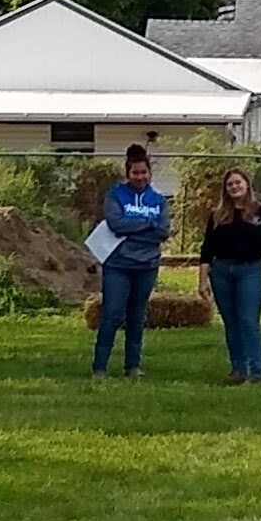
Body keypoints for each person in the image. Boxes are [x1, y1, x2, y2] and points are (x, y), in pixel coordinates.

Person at [90, 141, 170, 376]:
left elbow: (163, 231)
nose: (140, 177)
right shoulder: (115, 196)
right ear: (128, 173)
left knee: (137, 316)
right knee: (112, 314)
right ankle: (100, 367)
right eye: (135, 173)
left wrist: (133, 230)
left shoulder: (159, 200)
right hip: (118, 265)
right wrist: (148, 224)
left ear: (149, 173)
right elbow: (115, 224)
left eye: (143, 172)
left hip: (147, 265)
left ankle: (133, 366)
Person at [200, 165, 261, 382]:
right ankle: (238, 369)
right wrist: (202, 280)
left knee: (248, 320)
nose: (234, 187)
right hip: (221, 273)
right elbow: (206, 250)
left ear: (247, 184)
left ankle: (257, 371)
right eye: (230, 184)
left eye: (238, 182)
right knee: (231, 321)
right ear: (225, 190)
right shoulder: (218, 216)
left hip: (250, 271)